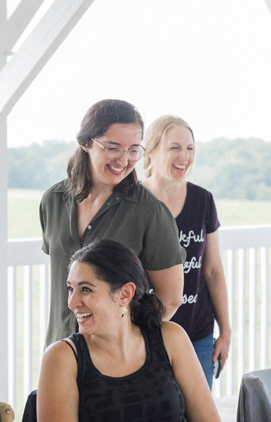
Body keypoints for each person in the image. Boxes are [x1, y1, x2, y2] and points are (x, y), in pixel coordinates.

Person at [37, 239, 235, 422]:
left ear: (125, 294)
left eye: (86, 289)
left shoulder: (170, 338)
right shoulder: (63, 357)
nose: (73, 302)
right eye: (71, 288)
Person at [39, 99, 186, 347]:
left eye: (133, 149)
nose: (124, 159)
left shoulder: (151, 212)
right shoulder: (52, 201)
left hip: (116, 359)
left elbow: (170, 300)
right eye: (113, 147)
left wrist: (128, 344)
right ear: (86, 143)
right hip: (59, 350)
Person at [143, 115, 231, 422]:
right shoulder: (134, 201)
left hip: (196, 335)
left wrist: (225, 330)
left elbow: (212, 270)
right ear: (152, 150)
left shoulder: (202, 200)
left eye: (190, 148)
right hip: (148, 335)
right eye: (174, 147)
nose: (184, 156)